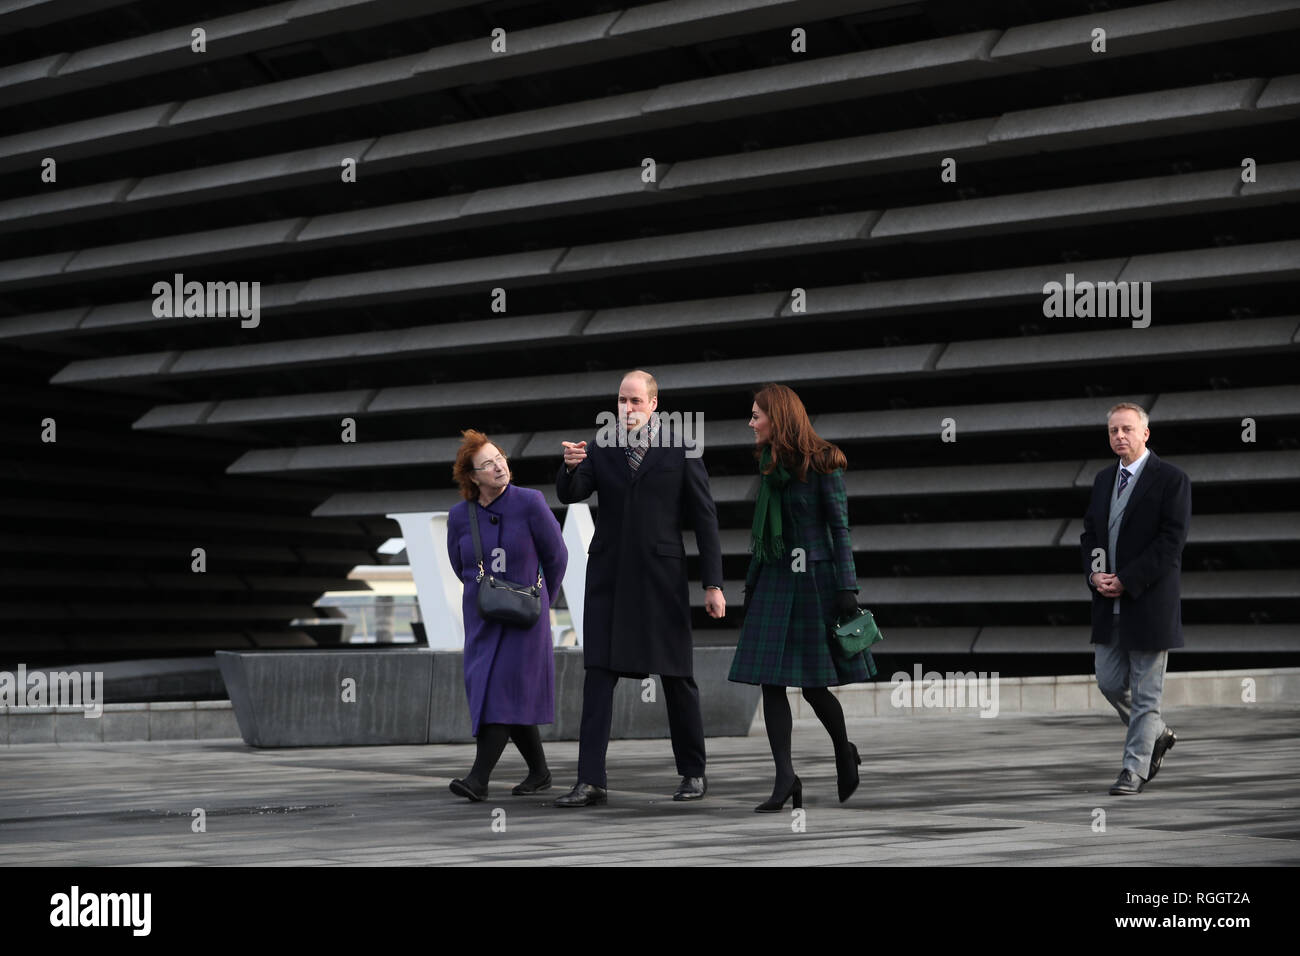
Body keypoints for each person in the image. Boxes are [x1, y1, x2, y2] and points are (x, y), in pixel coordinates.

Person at [553, 370, 725, 807]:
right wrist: (570, 466)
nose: (626, 408)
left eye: (634, 401)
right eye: (620, 400)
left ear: (653, 405)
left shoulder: (682, 447)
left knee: (677, 677)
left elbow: (704, 519)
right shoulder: (602, 447)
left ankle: (693, 772)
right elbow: (574, 492)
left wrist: (713, 584)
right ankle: (590, 780)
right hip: (609, 578)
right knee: (598, 677)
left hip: (660, 579)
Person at [729, 384, 875, 812]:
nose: (750, 422)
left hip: (815, 581)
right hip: (775, 579)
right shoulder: (769, 465)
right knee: (771, 682)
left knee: (813, 685)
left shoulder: (825, 463)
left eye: (756, 415)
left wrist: (848, 587)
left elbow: (840, 528)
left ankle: (843, 752)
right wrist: (752, 584)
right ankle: (785, 778)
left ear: (779, 418)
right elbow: (765, 536)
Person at [445, 430, 568, 801]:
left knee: (502, 691)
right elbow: (459, 564)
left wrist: (543, 600)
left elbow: (557, 557)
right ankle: (540, 772)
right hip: (483, 617)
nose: (498, 467)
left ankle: (478, 779)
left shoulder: (530, 502)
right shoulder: (459, 516)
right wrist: (485, 594)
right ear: (471, 477)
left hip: (525, 618)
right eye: (487, 464)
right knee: (497, 690)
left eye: (500, 458)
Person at [1080, 402, 1188, 795]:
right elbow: (1091, 534)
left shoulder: (1172, 479)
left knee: (1146, 693)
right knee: (1109, 682)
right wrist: (1095, 573)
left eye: (1127, 429)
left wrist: (1127, 579)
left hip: (1149, 602)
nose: (1119, 436)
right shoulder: (1104, 480)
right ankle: (1155, 732)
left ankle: (1133, 769)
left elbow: (1170, 543)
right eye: (1113, 430)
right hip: (1108, 601)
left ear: (1145, 433)